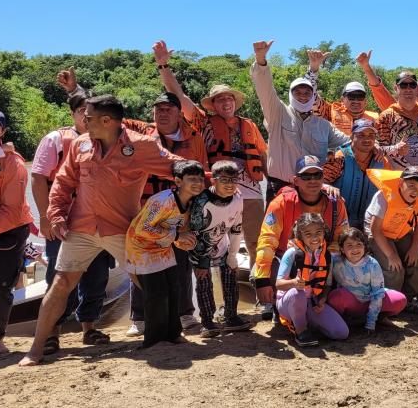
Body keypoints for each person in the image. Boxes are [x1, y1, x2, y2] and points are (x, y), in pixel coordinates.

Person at [20, 95, 186, 366]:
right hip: (81, 228)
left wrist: (209, 179)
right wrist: (57, 214)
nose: (83, 121)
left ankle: (170, 334)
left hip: (123, 229)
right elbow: (63, 182)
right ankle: (36, 349)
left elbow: (175, 165)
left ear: (106, 121)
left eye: (88, 117)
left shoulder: (142, 145)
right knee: (61, 284)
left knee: (146, 282)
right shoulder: (79, 143)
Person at [57, 68, 207, 336]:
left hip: (178, 210)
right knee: (140, 263)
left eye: (169, 108)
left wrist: (216, 182)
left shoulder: (192, 136)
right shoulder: (140, 134)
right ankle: (139, 319)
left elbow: (193, 172)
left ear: (178, 113)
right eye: (158, 109)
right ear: (152, 113)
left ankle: (184, 315)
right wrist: (75, 91)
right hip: (141, 213)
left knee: (179, 263)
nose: (163, 113)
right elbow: (106, 116)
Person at [154, 41, 268, 277]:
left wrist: (273, 181)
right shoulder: (203, 122)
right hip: (215, 192)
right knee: (213, 243)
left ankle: (262, 293)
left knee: (257, 241)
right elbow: (179, 96)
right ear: (213, 105)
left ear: (235, 103)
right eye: (220, 100)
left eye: (229, 99)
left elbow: (263, 155)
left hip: (250, 190)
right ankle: (219, 292)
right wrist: (164, 65)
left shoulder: (250, 125)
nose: (226, 103)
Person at [29, 91, 112, 354]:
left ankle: (89, 327)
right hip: (63, 218)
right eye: (81, 112)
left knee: (97, 274)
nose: (87, 118)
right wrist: (45, 216)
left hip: (97, 219)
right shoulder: (55, 139)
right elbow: (39, 177)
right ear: (73, 114)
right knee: (58, 274)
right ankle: (53, 331)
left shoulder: (106, 139)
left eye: (92, 114)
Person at [253, 156, 349, 321]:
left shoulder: (335, 203)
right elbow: (267, 241)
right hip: (287, 260)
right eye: (306, 177)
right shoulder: (280, 203)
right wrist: (262, 281)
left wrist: (326, 266)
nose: (312, 180)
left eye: (317, 176)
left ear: (323, 178)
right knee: (262, 269)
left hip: (322, 259)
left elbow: (341, 238)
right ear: (296, 180)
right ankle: (279, 304)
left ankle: (326, 301)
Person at [249, 40, 349, 194]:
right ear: (290, 94)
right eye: (298, 92)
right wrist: (260, 60)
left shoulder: (324, 125)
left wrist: (376, 145)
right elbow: (265, 88)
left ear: (313, 95)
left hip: (313, 189)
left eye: (307, 92)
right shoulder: (277, 112)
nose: (303, 96)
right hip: (280, 188)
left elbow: (351, 142)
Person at [125, 160, 202, 348]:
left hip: (163, 247)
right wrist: (177, 236)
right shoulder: (162, 201)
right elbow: (143, 228)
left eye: (200, 179)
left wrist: (184, 241)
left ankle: (173, 334)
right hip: (141, 249)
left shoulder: (191, 202)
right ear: (177, 181)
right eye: (191, 179)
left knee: (174, 290)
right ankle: (154, 340)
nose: (198, 183)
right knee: (157, 294)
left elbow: (179, 229)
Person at [0, 108, 32, 356]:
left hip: (8, 229)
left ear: (3, 132)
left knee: (0, 287)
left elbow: (12, 211)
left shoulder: (13, 163)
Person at [188, 160, 250, 337]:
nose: (230, 185)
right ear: (213, 180)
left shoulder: (238, 198)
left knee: (231, 276)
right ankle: (207, 321)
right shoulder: (202, 202)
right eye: (224, 180)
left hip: (222, 243)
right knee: (204, 281)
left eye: (234, 179)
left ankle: (231, 316)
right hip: (199, 247)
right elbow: (196, 231)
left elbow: (237, 227)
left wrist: (233, 254)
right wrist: (201, 262)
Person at [365, 167, 418, 313]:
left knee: (417, 262)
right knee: (394, 268)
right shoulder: (383, 196)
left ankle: (407, 299)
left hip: (401, 232)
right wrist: (391, 255)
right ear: (401, 182)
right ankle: (390, 304)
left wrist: (414, 249)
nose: (415, 191)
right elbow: (375, 229)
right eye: (411, 185)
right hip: (378, 234)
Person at [275, 213, 348, 346]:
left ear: (324, 232)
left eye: (318, 232)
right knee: (298, 293)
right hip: (288, 302)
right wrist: (293, 283)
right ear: (300, 235)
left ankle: (308, 322)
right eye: (308, 234)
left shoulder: (327, 255)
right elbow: (278, 284)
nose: (314, 238)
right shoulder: (291, 253)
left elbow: (327, 284)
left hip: (311, 302)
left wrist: (323, 298)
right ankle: (300, 331)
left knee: (341, 333)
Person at [328, 228, 407, 334]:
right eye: (350, 246)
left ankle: (377, 317)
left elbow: (377, 293)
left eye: (359, 245)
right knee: (336, 297)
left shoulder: (372, 264)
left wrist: (371, 323)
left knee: (400, 299)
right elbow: (327, 283)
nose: (355, 249)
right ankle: (344, 321)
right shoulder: (335, 261)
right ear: (342, 249)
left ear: (365, 246)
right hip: (351, 302)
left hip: (370, 300)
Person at [322, 119, 390, 229]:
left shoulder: (382, 161)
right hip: (340, 223)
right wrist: (327, 187)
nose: (367, 139)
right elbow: (320, 182)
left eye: (371, 135)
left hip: (369, 224)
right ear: (352, 136)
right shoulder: (339, 158)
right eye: (361, 135)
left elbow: (388, 192)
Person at [314, 81, 380, 137]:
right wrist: (314, 70)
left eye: (360, 97)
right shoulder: (330, 111)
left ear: (365, 101)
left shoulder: (375, 118)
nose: (356, 101)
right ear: (342, 99)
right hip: (337, 151)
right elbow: (312, 98)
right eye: (351, 96)